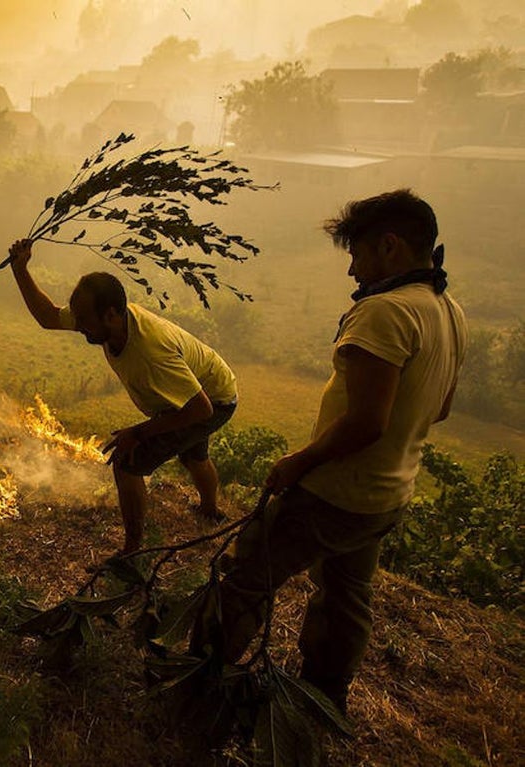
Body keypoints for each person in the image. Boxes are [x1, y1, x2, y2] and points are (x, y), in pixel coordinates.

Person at [196, 189, 468, 713]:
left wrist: (299, 461)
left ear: (389, 247)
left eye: (357, 254)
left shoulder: (384, 313)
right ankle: (323, 697)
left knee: (249, 575)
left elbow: (367, 422)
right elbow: (440, 409)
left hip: (335, 492)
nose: (352, 272)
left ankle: (200, 680)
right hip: (387, 495)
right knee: (345, 596)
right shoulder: (448, 310)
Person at [7, 238, 239, 555]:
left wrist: (138, 432)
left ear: (111, 315)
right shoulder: (106, 321)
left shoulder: (150, 351)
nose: (79, 326)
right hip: (202, 387)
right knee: (192, 455)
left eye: (85, 319)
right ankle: (210, 512)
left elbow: (200, 410)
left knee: (128, 463)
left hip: (211, 400)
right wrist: (20, 269)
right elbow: (48, 316)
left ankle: (132, 551)